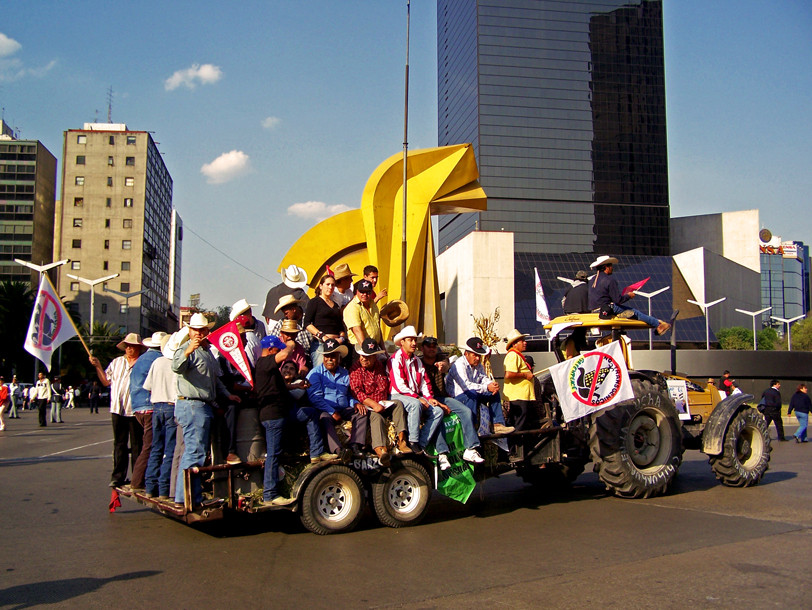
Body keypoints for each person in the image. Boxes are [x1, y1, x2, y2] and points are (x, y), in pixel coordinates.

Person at [172, 313, 243, 507]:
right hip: (192, 404)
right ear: (189, 331)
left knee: (197, 452)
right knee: (195, 453)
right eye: (195, 329)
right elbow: (177, 367)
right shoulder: (186, 349)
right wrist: (187, 350)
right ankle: (187, 497)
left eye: (202, 330)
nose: (199, 333)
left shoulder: (208, 352)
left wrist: (227, 394)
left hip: (202, 405)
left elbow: (215, 378)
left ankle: (188, 495)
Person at [90, 333, 146, 487]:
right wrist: (98, 366)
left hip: (135, 409)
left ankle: (137, 477)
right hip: (118, 409)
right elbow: (106, 381)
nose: (129, 349)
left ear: (138, 348)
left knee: (137, 445)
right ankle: (118, 476)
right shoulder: (116, 363)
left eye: (132, 346)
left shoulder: (142, 363)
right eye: (127, 346)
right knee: (119, 444)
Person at [419, 336, 484, 467]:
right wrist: (440, 405)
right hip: (426, 398)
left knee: (466, 411)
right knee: (438, 415)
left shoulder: (441, 359)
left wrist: (445, 366)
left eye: (434, 346)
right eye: (428, 346)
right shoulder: (419, 363)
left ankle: (470, 448)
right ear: (423, 348)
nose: (431, 349)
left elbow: (447, 363)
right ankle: (442, 453)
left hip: (443, 396)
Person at [349, 338, 410, 467]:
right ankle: (381, 450)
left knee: (398, 404)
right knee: (376, 417)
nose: (364, 359)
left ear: (375, 357)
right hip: (369, 406)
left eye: (368, 357)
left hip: (383, 401)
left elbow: (384, 386)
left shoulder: (379, 366)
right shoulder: (355, 369)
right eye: (362, 356)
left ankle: (402, 440)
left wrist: (382, 403)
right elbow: (357, 392)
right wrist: (373, 404)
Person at [255, 335, 300, 506]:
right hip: (273, 416)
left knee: (275, 453)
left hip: (275, 415)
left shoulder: (268, 369)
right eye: (278, 348)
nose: (281, 351)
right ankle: (270, 494)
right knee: (273, 455)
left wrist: (296, 386)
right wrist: (289, 346)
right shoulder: (265, 362)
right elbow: (283, 355)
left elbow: (278, 387)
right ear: (272, 349)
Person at [306, 338, 367, 458]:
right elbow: (315, 398)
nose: (329, 359)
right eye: (327, 356)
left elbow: (348, 394)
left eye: (333, 357)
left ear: (339, 358)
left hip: (343, 408)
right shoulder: (315, 373)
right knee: (324, 418)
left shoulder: (344, 373)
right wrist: (332, 412)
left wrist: (355, 403)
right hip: (326, 409)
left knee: (361, 413)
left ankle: (356, 445)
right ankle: (339, 450)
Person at [388, 325, 445, 454]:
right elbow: (399, 385)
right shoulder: (395, 359)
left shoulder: (416, 361)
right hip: (396, 394)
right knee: (415, 404)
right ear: (402, 342)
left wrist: (429, 398)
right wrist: (419, 398)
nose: (414, 343)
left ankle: (422, 443)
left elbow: (425, 382)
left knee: (438, 412)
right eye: (410, 340)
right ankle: (412, 440)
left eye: (415, 340)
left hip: (412, 395)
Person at [446, 337, 515, 437]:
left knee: (493, 393)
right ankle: (473, 426)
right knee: (472, 393)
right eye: (475, 355)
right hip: (457, 398)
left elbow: (483, 378)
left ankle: (497, 424)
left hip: (471, 395)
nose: (477, 358)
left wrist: (491, 385)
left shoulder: (478, 365)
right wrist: (487, 387)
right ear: (466, 354)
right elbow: (467, 386)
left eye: (479, 355)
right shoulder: (459, 365)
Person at [587, 255, 672, 335]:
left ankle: (657, 322)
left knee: (628, 312)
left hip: (594, 309)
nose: (612, 268)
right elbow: (618, 300)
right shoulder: (610, 280)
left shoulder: (592, 280)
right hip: (608, 308)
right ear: (606, 267)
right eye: (611, 266)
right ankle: (658, 324)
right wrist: (629, 296)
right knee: (635, 313)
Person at [128, 331, 167, 492]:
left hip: (137, 407)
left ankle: (144, 479)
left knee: (150, 444)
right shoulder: (158, 359)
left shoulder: (141, 359)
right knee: (151, 445)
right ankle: (137, 481)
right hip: (150, 407)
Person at [143, 334, 179, 500]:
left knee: (156, 447)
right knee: (170, 450)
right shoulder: (177, 364)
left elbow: (148, 386)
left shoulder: (157, 362)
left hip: (157, 406)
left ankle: (150, 485)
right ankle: (164, 488)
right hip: (172, 406)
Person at [303, 274, 347, 368]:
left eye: (332, 285)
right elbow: (307, 323)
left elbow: (340, 326)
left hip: (336, 344)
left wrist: (341, 338)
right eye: (328, 284)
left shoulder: (335, 305)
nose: (330, 287)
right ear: (321, 286)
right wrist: (322, 336)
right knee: (320, 372)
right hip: (320, 343)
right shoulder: (314, 302)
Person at [502, 329, 537, 431]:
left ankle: (516, 445)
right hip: (518, 396)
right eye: (522, 341)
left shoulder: (517, 356)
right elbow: (508, 374)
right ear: (514, 344)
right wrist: (525, 375)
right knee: (518, 424)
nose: (525, 342)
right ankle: (515, 445)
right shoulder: (513, 355)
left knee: (519, 422)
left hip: (521, 395)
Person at [343, 279, 382, 347]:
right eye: (362, 292)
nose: (365, 294)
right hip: (360, 348)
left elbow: (378, 329)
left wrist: (384, 349)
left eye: (368, 292)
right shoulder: (353, 307)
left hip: (374, 347)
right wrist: (365, 350)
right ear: (357, 291)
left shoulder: (373, 304)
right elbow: (357, 331)